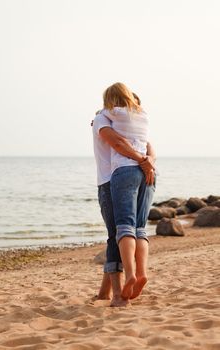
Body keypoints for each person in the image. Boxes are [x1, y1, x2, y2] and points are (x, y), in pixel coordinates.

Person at [92, 89, 155, 306]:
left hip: (114, 179)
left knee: (118, 234)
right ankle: (104, 292)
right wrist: (147, 162)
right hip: (130, 175)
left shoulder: (108, 118)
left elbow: (121, 143)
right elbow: (145, 148)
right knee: (128, 231)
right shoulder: (108, 119)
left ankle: (118, 295)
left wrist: (145, 160)